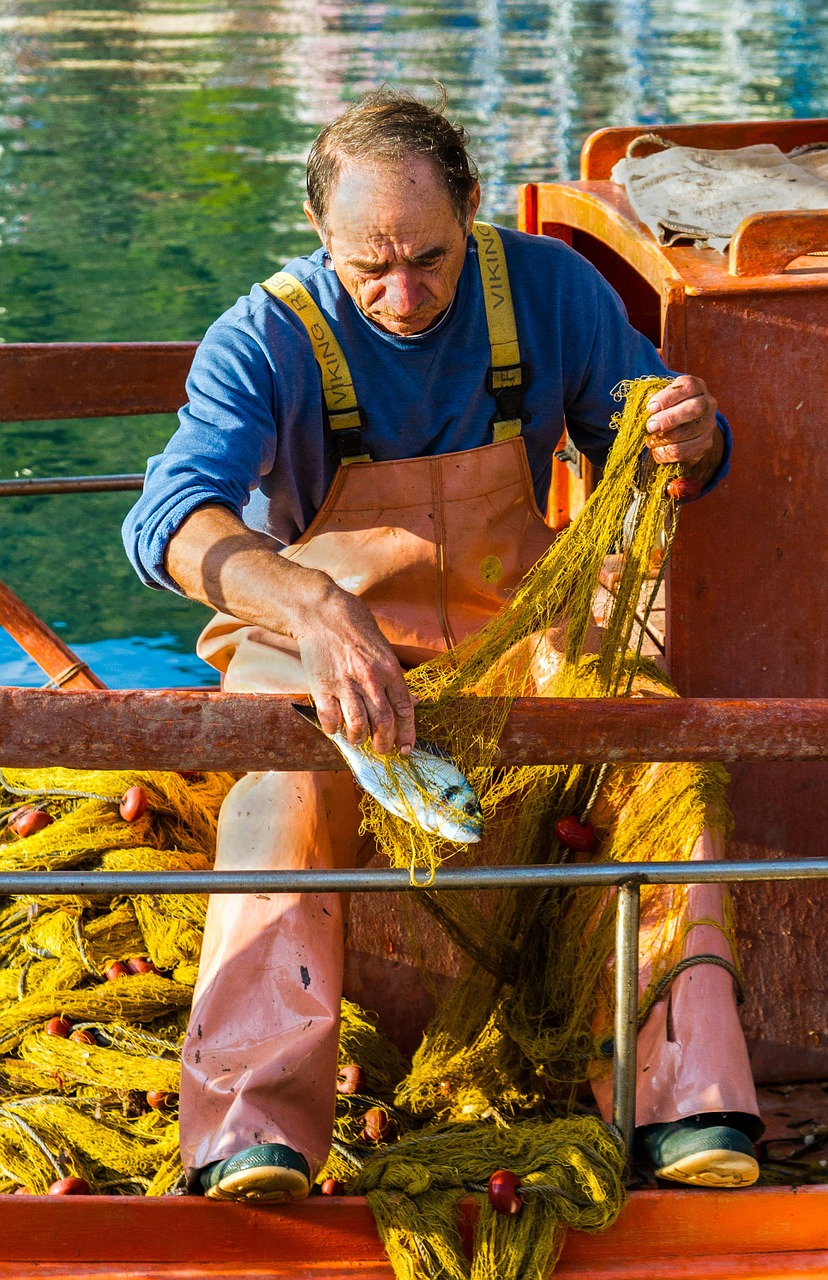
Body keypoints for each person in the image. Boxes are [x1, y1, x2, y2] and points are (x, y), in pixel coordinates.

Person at [123, 87, 762, 1202]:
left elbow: (659, 445)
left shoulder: (552, 293)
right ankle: (249, 1129)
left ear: (470, 206)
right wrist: (317, 609)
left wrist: (696, 437)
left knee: (663, 754)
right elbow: (170, 519)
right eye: (370, 266)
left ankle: (688, 1095)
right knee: (280, 784)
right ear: (320, 234)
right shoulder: (265, 334)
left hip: (518, 627)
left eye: (428, 256)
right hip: (316, 645)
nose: (403, 293)